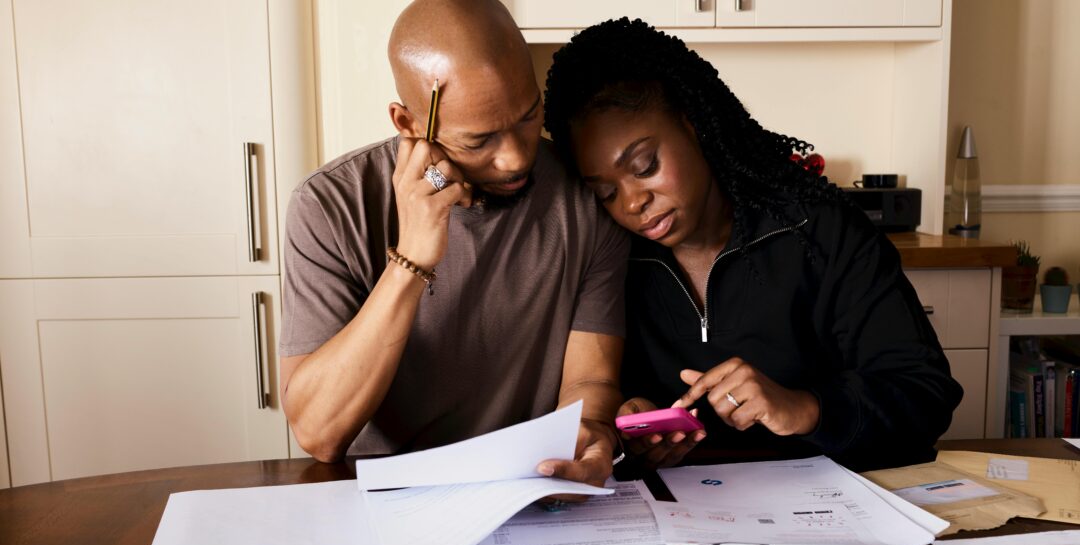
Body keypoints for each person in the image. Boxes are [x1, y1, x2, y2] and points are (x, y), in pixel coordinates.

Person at [543, 18, 963, 472]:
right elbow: (599, 397)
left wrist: (804, 409)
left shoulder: (818, 229)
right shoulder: (611, 258)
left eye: (645, 165)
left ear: (694, 125)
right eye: (604, 192)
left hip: (829, 505)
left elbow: (925, 395)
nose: (632, 202)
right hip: (679, 516)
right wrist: (632, 422)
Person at [278, 0, 628, 493]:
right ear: (407, 123)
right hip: (378, 497)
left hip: (526, 489)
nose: (514, 158)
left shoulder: (585, 196)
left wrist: (590, 431)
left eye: (528, 118)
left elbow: (589, 382)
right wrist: (412, 260)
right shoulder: (329, 205)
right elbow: (319, 434)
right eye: (479, 140)